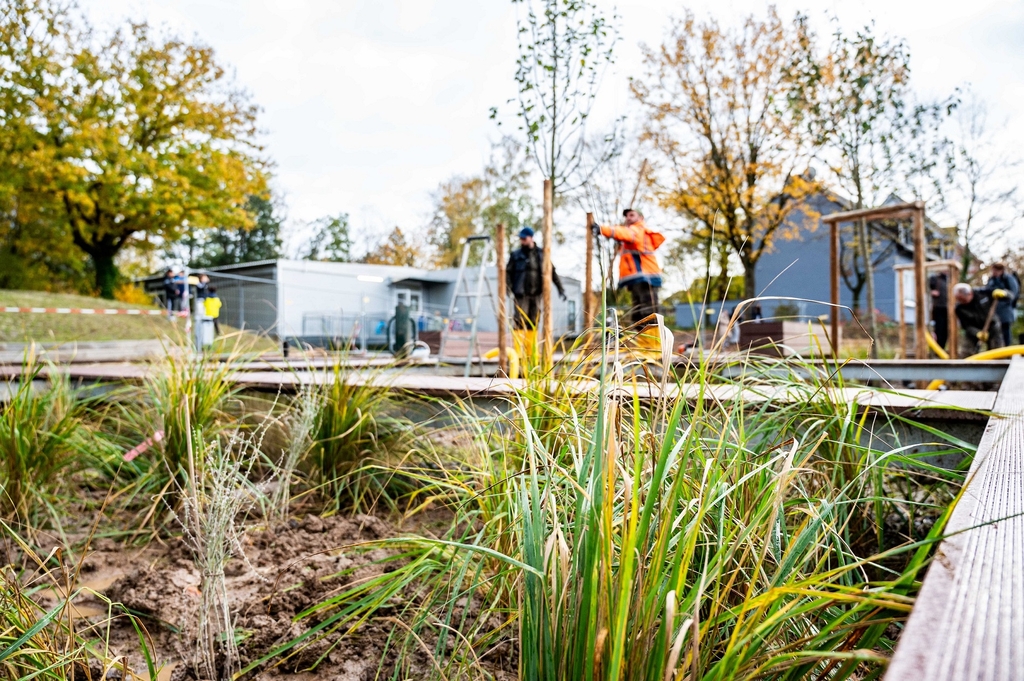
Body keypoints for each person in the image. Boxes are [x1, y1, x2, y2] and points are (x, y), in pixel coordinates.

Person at [594, 208, 665, 324]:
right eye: (626, 216)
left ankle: (653, 342)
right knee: (638, 315)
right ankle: (643, 341)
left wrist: (601, 229)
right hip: (639, 279)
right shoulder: (635, 232)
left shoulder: (637, 230)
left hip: (647, 278)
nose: (628, 218)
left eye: (632, 215)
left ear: (641, 218)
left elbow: (623, 233)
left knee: (649, 314)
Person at [505, 226, 566, 331]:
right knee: (519, 320)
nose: (522, 241)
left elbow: (552, 272)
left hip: (537, 294)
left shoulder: (541, 254)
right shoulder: (515, 255)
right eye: (521, 239)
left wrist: (561, 289)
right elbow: (508, 273)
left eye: (524, 238)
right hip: (521, 295)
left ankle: (530, 347)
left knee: (534, 321)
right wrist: (508, 288)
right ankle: (519, 347)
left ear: (531, 238)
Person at [953, 283, 1004, 354]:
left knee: (997, 352)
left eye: (962, 299)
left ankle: (998, 363)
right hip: (975, 330)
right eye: (958, 299)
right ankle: (967, 363)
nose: (960, 301)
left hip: (992, 326)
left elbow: (1010, 296)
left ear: (969, 294)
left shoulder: (982, 294)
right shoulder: (960, 308)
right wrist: (977, 333)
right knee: (966, 351)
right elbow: (966, 326)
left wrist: (1005, 294)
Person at [981, 262, 1019, 347]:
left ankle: (1007, 350)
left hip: (1005, 309)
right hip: (993, 310)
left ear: (1001, 270)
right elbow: (987, 290)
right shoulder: (991, 280)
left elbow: (1014, 293)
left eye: (995, 270)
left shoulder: (1008, 279)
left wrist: (1004, 293)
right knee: (993, 330)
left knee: (1005, 331)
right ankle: (993, 349)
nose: (993, 272)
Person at [929, 271, 949, 351]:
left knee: (946, 331)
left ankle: (942, 348)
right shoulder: (935, 279)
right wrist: (932, 292)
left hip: (947, 308)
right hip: (938, 307)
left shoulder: (947, 280)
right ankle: (937, 349)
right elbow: (927, 286)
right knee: (939, 330)